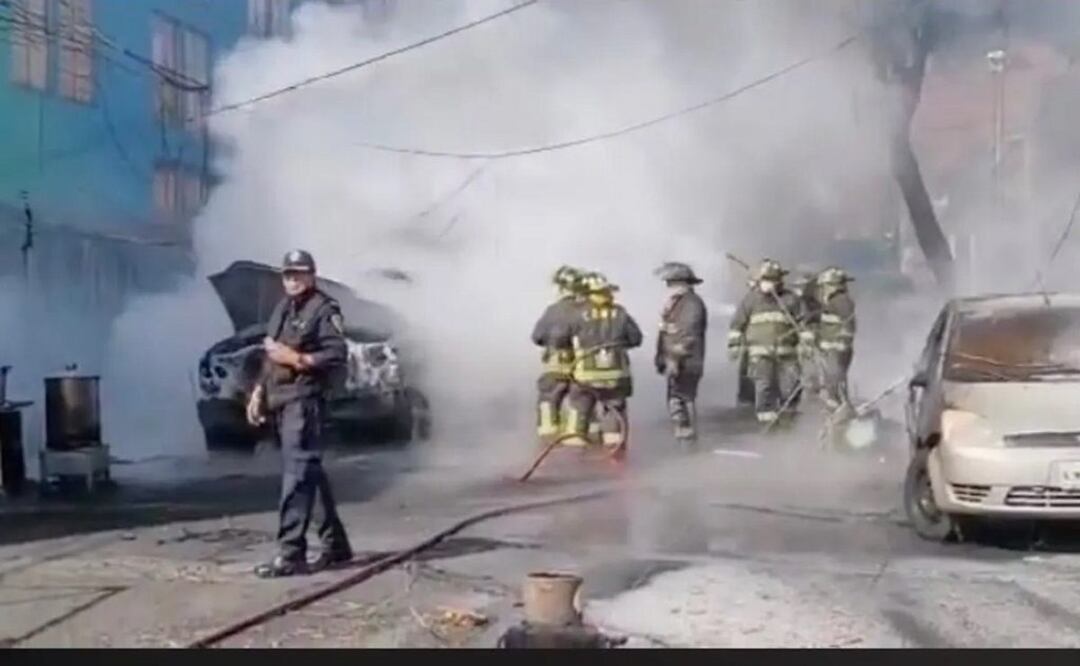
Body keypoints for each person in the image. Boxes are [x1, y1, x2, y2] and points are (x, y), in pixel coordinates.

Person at [248, 250, 353, 578]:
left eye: (299, 274)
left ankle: (291, 553)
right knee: (309, 473)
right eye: (288, 274)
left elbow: (336, 354)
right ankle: (335, 545)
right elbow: (271, 354)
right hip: (281, 398)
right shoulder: (282, 309)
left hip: (306, 400)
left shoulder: (324, 309)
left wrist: (297, 359)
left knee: (296, 476)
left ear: (312, 275)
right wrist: (257, 393)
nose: (292, 280)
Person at [565, 272, 643, 457]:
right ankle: (614, 453)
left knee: (580, 409)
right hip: (616, 376)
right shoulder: (621, 314)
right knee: (614, 410)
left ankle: (574, 455)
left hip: (585, 375)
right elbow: (635, 339)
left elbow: (561, 338)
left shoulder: (576, 314)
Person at [727, 259, 803, 426]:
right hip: (760, 355)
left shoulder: (790, 299)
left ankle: (788, 420)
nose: (770, 284)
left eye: (773, 280)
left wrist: (807, 343)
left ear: (780, 281)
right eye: (767, 280)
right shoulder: (751, 300)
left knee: (791, 387)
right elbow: (737, 324)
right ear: (760, 281)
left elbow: (803, 324)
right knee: (764, 387)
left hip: (787, 354)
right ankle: (767, 424)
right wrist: (734, 345)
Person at [530, 266, 585, 445]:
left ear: (561, 288)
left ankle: (549, 445)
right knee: (583, 406)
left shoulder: (553, 311)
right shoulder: (588, 310)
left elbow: (537, 337)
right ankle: (580, 444)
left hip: (556, 368)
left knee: (548, 401)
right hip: (585, 370)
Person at [655, 262, 708, 443]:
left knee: (683, 397)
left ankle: (689, 437)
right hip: (676, 360)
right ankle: (684, 433)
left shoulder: (692, 304)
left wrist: (675, 357)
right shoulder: (678, 303)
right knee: (677, 397)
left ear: (683, 283)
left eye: (671, 283)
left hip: (687, 361)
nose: (668, 287)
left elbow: (689, 334)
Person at [812, 267, 857, 415]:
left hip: (837, 349)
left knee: (834, 379)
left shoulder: (841, 301)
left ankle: (839, 411)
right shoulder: (833, 301)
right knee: (831, 380)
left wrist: (843, 341)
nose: (823, 290)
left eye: (824, 286)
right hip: (830, 349)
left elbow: (849, 323)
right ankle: (834, 410)